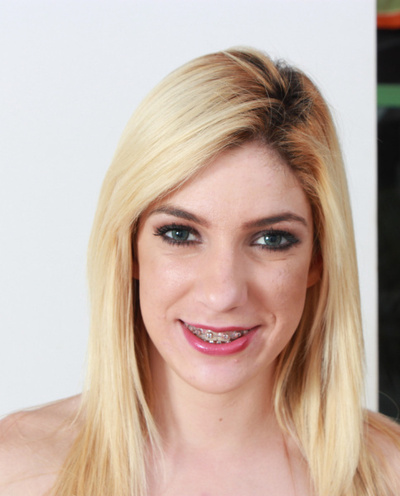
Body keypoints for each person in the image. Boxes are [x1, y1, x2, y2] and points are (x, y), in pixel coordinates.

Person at [1, 47, 399, 496]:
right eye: (180, 234)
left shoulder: (391, 475)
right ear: (129, 249)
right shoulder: (14, 469)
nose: (223, 293)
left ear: (318, 260)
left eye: (271, 239)